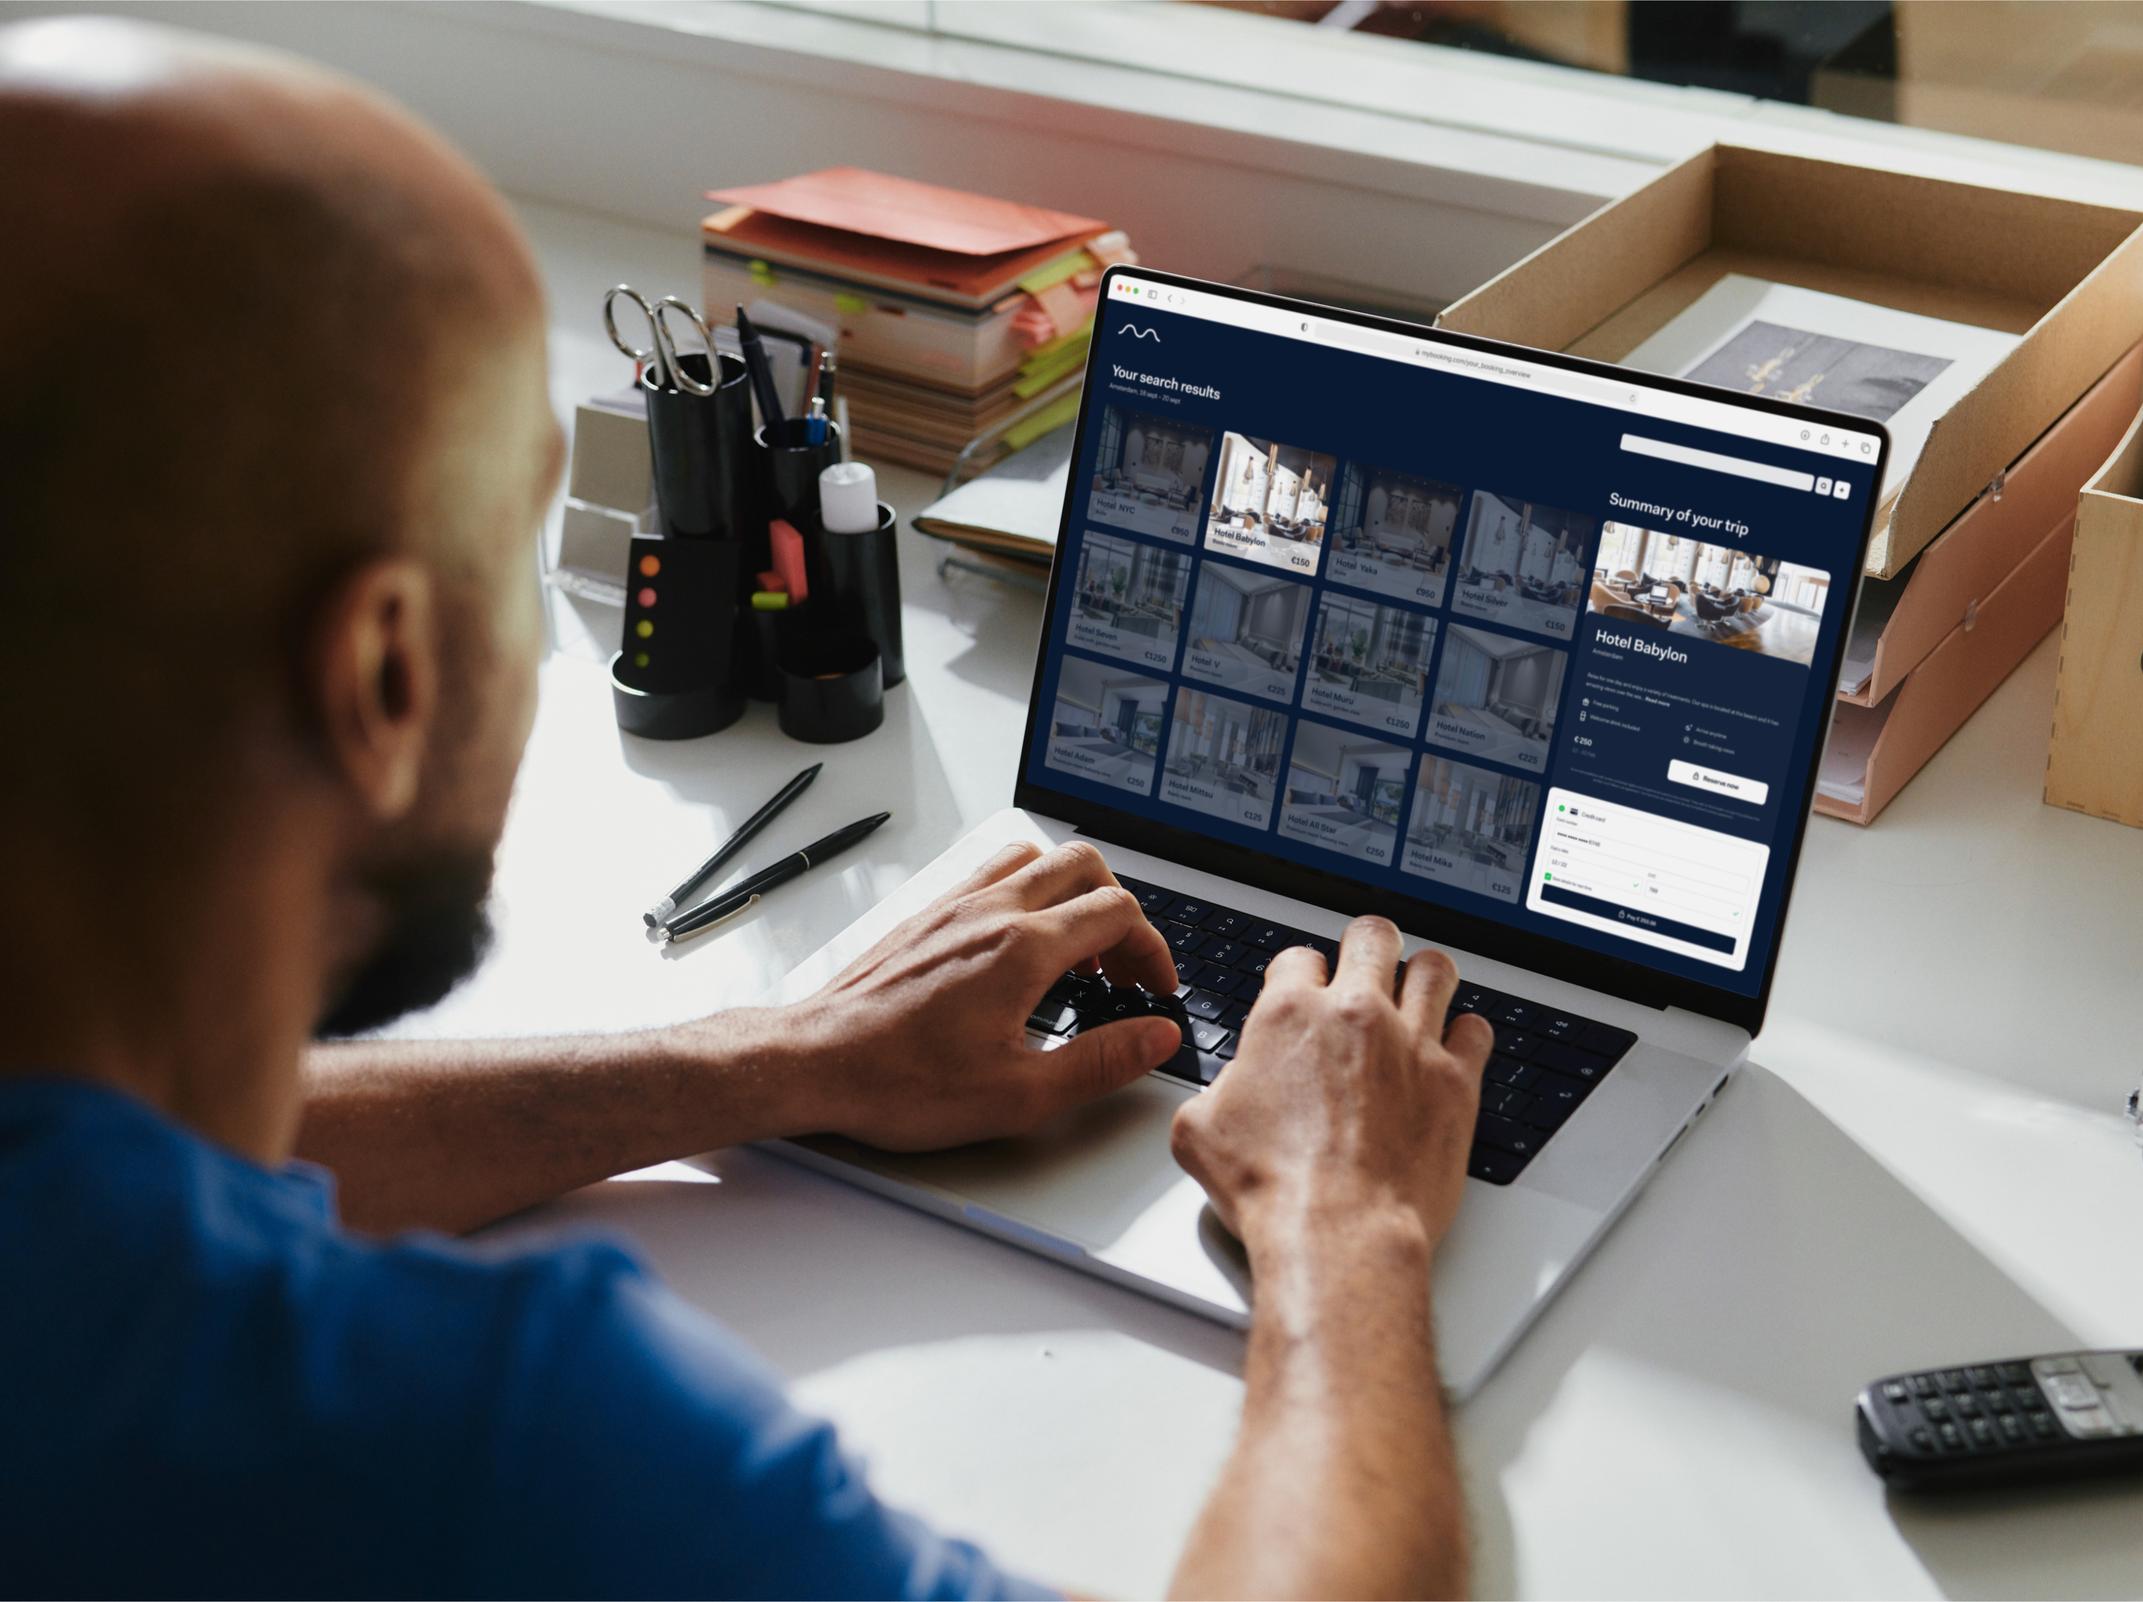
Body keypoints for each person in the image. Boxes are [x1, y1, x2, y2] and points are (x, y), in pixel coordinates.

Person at [0, 17, 1493, 1599]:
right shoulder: (483, 1445)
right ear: (382, 676)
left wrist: (769, 1059)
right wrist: (1344, 1224)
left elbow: (126, 1153)